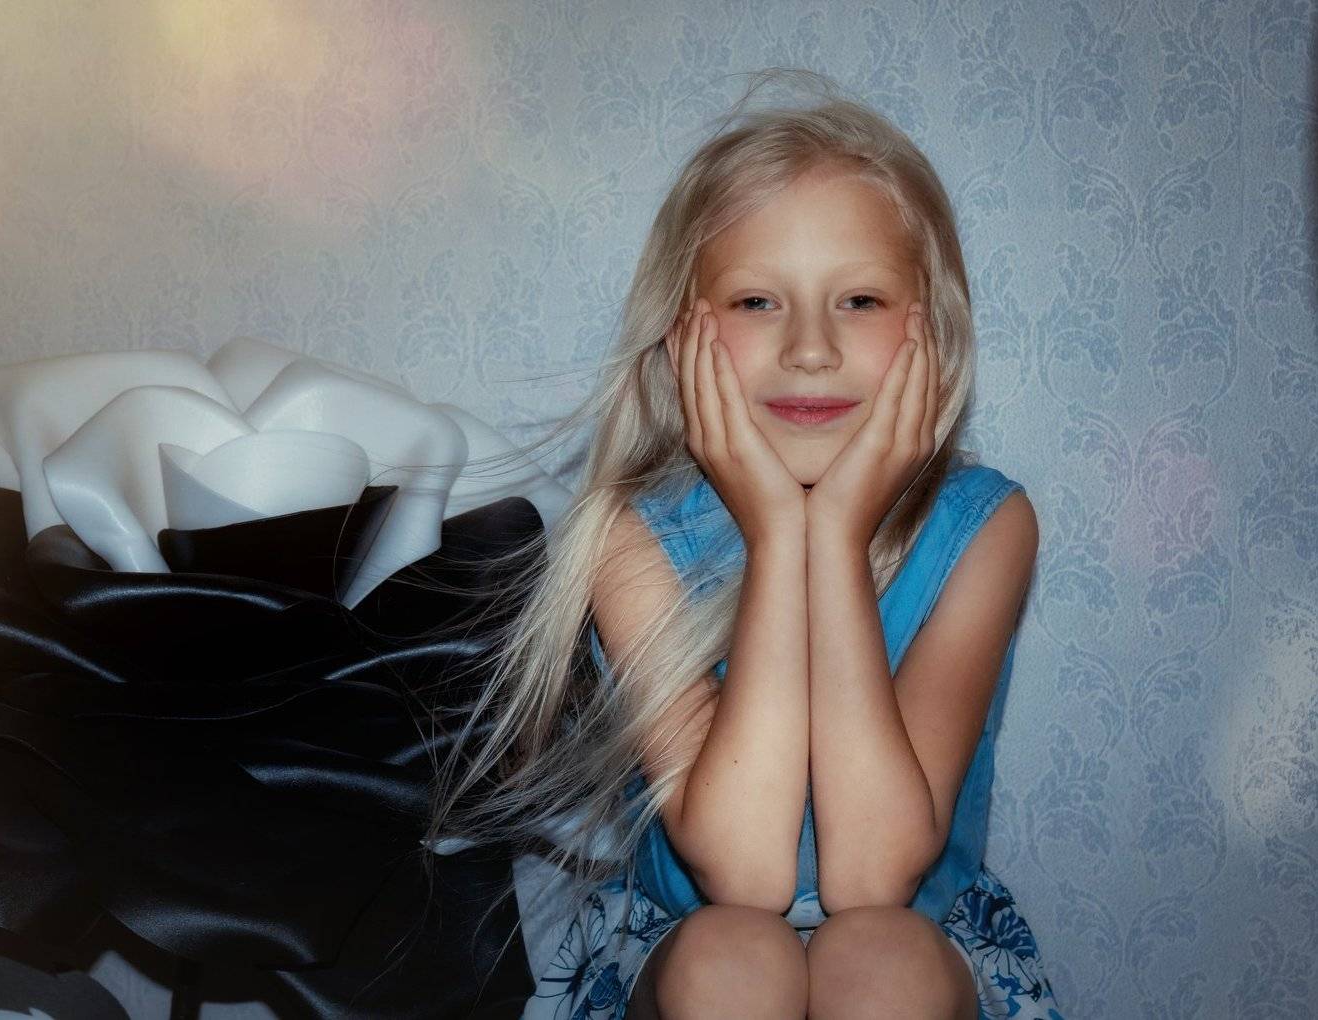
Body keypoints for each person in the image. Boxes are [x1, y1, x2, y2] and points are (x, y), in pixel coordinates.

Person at [423, 69, 1065, 1020]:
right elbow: (746, 875)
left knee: (879, 959)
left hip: (915, 950)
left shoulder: (985, 527)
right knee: (734, 956)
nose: (809, 348)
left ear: (930, 332)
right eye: (758, 301)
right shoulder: (631, 536)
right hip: (689, 952)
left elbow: (874, 877)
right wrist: (778, 536)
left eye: (860, 300)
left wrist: (833, 537)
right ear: (681, 334)